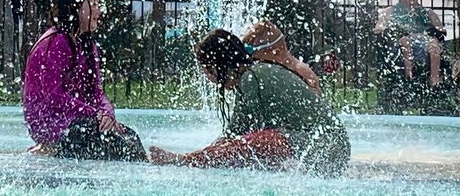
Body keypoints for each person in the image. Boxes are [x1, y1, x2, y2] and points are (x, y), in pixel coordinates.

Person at [150, 29, 350, 176]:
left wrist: (197, 157)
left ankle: (185, 162)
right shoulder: (252, 74)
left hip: (328, 146)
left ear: (216, 64)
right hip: (328, 147)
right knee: (252, 144)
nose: (209, 79)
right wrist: (206, 152)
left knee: (259, 141)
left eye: (206, 72)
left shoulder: (251, 77)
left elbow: (244, 138)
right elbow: (234, 135)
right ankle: (188, 160)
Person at [22, 0, 146, 161]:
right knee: (112, 143)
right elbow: (55, 97)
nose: (99, 11)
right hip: (53, 125)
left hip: (79, 121)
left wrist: (107, 114)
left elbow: (97, 92)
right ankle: (50, 149)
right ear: (75, 7)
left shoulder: (87, 45)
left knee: (130, 137)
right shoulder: (55, 42)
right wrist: (94, 114)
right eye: (93, 4)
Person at [374, 0, 446, 86]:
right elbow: (378, 29)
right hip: (401, 41)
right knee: (405, 42)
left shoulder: (427, 13)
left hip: (423, 40)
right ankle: (409, 78)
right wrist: (388, 30)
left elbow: (441, 30)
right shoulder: (391, 11)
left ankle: (434, 82)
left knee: (434, 45)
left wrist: (435, 31)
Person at [242, 21, 322, 96]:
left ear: (276, 53)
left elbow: (317, 97)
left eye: (258, 60)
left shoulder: (300, 70)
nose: (256, 64)